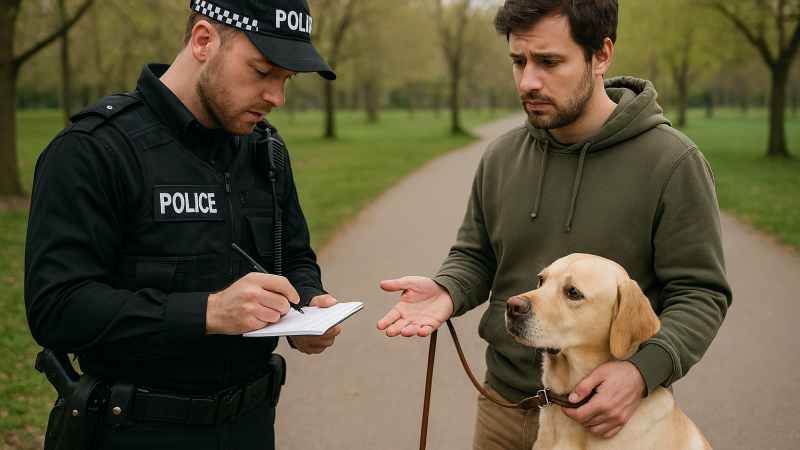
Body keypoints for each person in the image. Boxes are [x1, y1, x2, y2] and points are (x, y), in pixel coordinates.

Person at [377, 1, 732, 449]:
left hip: (613, 419)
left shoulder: (673, 163)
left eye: (549, 61)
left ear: (601, 56)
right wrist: (447, 288)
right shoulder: (500, 156)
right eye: (518, 61)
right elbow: (476, 254)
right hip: (503, 408)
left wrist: (641, 372)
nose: (528, 81)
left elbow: (701, 292)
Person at [25, 0, 339, 448]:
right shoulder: (94, 151)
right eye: (262, 70)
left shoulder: (264, 149)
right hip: (136, 430)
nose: (277, 98)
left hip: (253, 425)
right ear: (204, 41)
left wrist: (308, 306)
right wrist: (209, 313)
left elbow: (292, 254)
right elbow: (57, 307)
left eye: (286, 79)